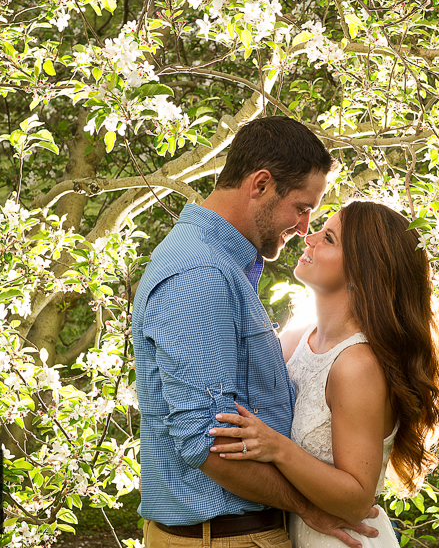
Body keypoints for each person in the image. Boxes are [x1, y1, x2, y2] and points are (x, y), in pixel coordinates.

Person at [132, 117, 379, 548]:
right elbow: (204, 443)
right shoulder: (202, 273)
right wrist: (303, 505)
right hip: (223, 539)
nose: (304, 229)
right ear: (261, 184)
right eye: (302, 208)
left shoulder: (219, 265)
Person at [208, 200, 439, 547]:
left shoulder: (357, 365)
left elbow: (357, 499)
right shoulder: (297, 337)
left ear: (361, 273)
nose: (307, 238)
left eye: (328, 238)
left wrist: (277, 447)